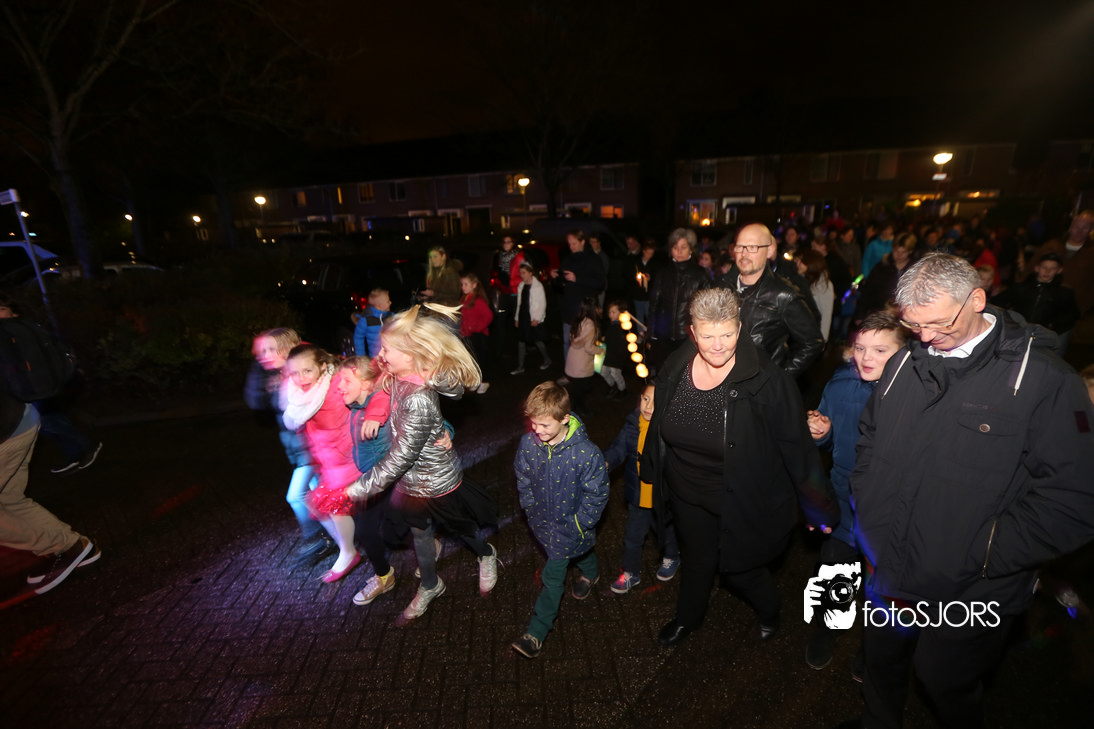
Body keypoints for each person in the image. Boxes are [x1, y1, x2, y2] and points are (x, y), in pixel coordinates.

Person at [848, 253, 1094, 728]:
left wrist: (985, 552)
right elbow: (870, 438)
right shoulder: (902, 363)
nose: (924, 337)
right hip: (888, 563)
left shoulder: (1045, 382)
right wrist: (868, 508)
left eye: (938, 323)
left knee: (943, 679)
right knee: (881, 662)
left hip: (974, 583)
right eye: (913, 324)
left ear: (977, 299)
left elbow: (1074, 499)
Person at [641, 287, 838, 647]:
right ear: (692, 332)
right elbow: (660, 424)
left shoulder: (767, 381)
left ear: (740, 327)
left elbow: (797, 449)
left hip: (739, 496)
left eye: (727, 334)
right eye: (707, 336)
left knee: (740, 569)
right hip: (685, 492)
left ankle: (770, 609)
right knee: (696, 559)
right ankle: (688, 617)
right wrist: (652, 467)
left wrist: (818, 506)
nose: (718, 346)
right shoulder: (675, 367)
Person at [347, 304, 499, 625]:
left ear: (410, 355)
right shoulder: (398, 373)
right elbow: (378, 382)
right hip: (411, 483)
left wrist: (361, 487)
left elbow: (403, 454)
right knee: (420, 534)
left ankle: (486, 554)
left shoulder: (418, 396)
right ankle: (430, 585)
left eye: (387, 349)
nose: (380, 355)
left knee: (461, 528)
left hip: (436, 481)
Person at [804, 312, 909, 671]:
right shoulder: (840, 385)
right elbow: (828, 436)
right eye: (861, 347)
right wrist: (822, 432)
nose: (866, 357)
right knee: (836, 569)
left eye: (880, 350)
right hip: (842, 499)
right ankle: (831, 627)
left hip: (890, 508)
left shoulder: (915, 397)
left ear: (903, 353)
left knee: (882, 585)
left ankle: (874, 650)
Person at [511, 381, 609, 658]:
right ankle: (591, 572)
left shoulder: (586, 453)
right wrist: (529, 507)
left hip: (569, 525)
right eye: (533, 423)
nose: (537, 430)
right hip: (542, 522)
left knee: (553, 577)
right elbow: (523, 477)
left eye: (544, 425)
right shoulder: (529, 444)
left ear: (565, 418)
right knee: (579, 551)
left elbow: (597, 493)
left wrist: (580, 523)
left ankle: (536, 632)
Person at [1, 362, 100, 595]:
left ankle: (70, 546)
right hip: (20, 418)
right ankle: (70, 546)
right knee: (8, 499)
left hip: (7, 430)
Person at [244, 328, 335, 562]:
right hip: (298, 448)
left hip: (312, 449)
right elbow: (257, 400)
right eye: (261, 351)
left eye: (269, 350)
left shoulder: (301, 377)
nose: (263, 356)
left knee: (296, 495)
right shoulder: (278, 375)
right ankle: (336, 535)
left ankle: (320, 537)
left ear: (286, 350)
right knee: (318, 494)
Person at [281, 344, 361, 583]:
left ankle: (349, 552)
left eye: (307, 371)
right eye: (295, 373)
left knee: (336, 506)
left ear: (322, 366)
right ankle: (346, 548)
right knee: (322, 505)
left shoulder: (336, 385)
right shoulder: (303, 394)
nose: (300, 378)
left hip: (348, 458)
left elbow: (368, 395)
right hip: (328, 462)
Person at [0, 296, 101, 475]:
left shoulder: (20, 331)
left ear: (14, 313)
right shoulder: (15, 332)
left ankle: (85, 446)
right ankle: (75, 452)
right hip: (24, 386)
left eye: (1, 310)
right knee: (48, 419)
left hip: (35, 385)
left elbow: (49, 351)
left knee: (43, 422)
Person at [716, 223, 824, 379]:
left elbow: (813, 342)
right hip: (722, 380)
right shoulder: (721, 286)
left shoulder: (783, 295)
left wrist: (778, 378)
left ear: (770, 250)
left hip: (757, 386)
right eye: (740, 247)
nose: (744, 253)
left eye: (752, 247)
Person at [604, 380, 679, 594]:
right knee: (632, 537)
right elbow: (618, 447)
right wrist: (605, 462)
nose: (648, 406)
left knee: (666, 532)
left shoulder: (670, 429)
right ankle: (630, 572)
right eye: (645, 399)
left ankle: (672, 556)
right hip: (638, 495)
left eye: (656, 402)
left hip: (662, 497)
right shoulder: (633, 424)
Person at [646, 228, 710, 373]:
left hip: (688, 336)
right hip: (664, 334)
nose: (679, 251)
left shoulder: (700, 274)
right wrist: (652, 331)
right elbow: (654, 304)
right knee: (664, 373)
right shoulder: (663, 273)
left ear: (691, 249)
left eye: (683, 247)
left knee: (685, 375)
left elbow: (707, 308)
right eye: (675, 247)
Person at [991, 252, 1080, 354]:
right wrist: (1010, 321)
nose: (1047, 271)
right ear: (1037, 268)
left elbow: (1071, 315)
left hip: (1045, 336)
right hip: (1018, 333)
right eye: (1044, 267)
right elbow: (998, 302)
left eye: (1052, 268)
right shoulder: (1020, 288)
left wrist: (1053, 326)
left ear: (1059, 270)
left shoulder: (1064, 293)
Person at [550, 230, 605, 360]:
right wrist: (556, 277)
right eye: (569, 244)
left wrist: (577, 279)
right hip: (568, 309)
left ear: (582, 242)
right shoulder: (568, 258)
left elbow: (600, 283)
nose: (571, 247)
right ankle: (569, 370)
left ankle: (585, 370)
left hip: (585, 310)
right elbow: (561, 283)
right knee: (567, 342)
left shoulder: (594, 259)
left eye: (574, 243)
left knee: (586, 343)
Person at [854, 232, 918, 322]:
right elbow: (867, 291)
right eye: (896, 251)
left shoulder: (916, 269)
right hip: (881, 312)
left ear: (910, 251)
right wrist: (860, 315)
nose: (899, 255)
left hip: (906, 316)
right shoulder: (882, 266)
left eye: (903, 252)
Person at [564, 297, 602, 418]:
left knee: (577, 387)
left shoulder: (578, 321)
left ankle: (574, 406)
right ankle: (580, 409)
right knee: (582, 388)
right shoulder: (590, 325)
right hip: (582, 362)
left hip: (573, 359)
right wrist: (601, 351)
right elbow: (589, 348)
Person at [510, 261, 551, 374]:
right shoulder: (521, 285)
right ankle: (520, 366)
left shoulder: (537, 286)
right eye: (520, 272)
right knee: (521, 340)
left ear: (530, 273)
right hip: (523, 315)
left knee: (537, 339)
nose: (521, 275)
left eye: (524, 272)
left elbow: (542, 303)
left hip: (532, 316)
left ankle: (547, 359)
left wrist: (537, 318)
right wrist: (517, 318)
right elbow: (519, 303)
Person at [459, 272, 494, 394]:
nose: (463, 287)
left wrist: (478, 328)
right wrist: (463, 329)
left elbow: (489, 316)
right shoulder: (464, 299)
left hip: (479, 335)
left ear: (474, 285)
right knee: (472, 359)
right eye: (462, 284)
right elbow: (463, 317)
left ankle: (484, 381)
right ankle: (476, 380)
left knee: (481, 358)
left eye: (466, 284)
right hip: (469, 334)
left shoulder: (478, 301)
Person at [796, 249, 834, 342]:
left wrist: (822, 340)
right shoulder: (799, 281)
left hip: (813, 335)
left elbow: (826, 313)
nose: (798, 264)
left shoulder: (823, 285)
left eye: (802, 262)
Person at [599, 299, 632, 400]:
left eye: (613, 312)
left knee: (615, 374)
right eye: (609, 312)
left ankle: (622, 390)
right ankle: (613, 386)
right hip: (608, 355)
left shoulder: (622, 326)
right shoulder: (611, 324)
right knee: (603, 371)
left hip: (616, 357)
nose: (611, 315)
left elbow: (622, 344)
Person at [352, 287, 393, 359]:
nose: (390, 302)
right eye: (388, 301)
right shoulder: (366, 319)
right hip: (376, 357)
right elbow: (358, 338)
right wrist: (361, 357)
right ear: (380, 305)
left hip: (391, 356)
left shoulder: (391, 317)